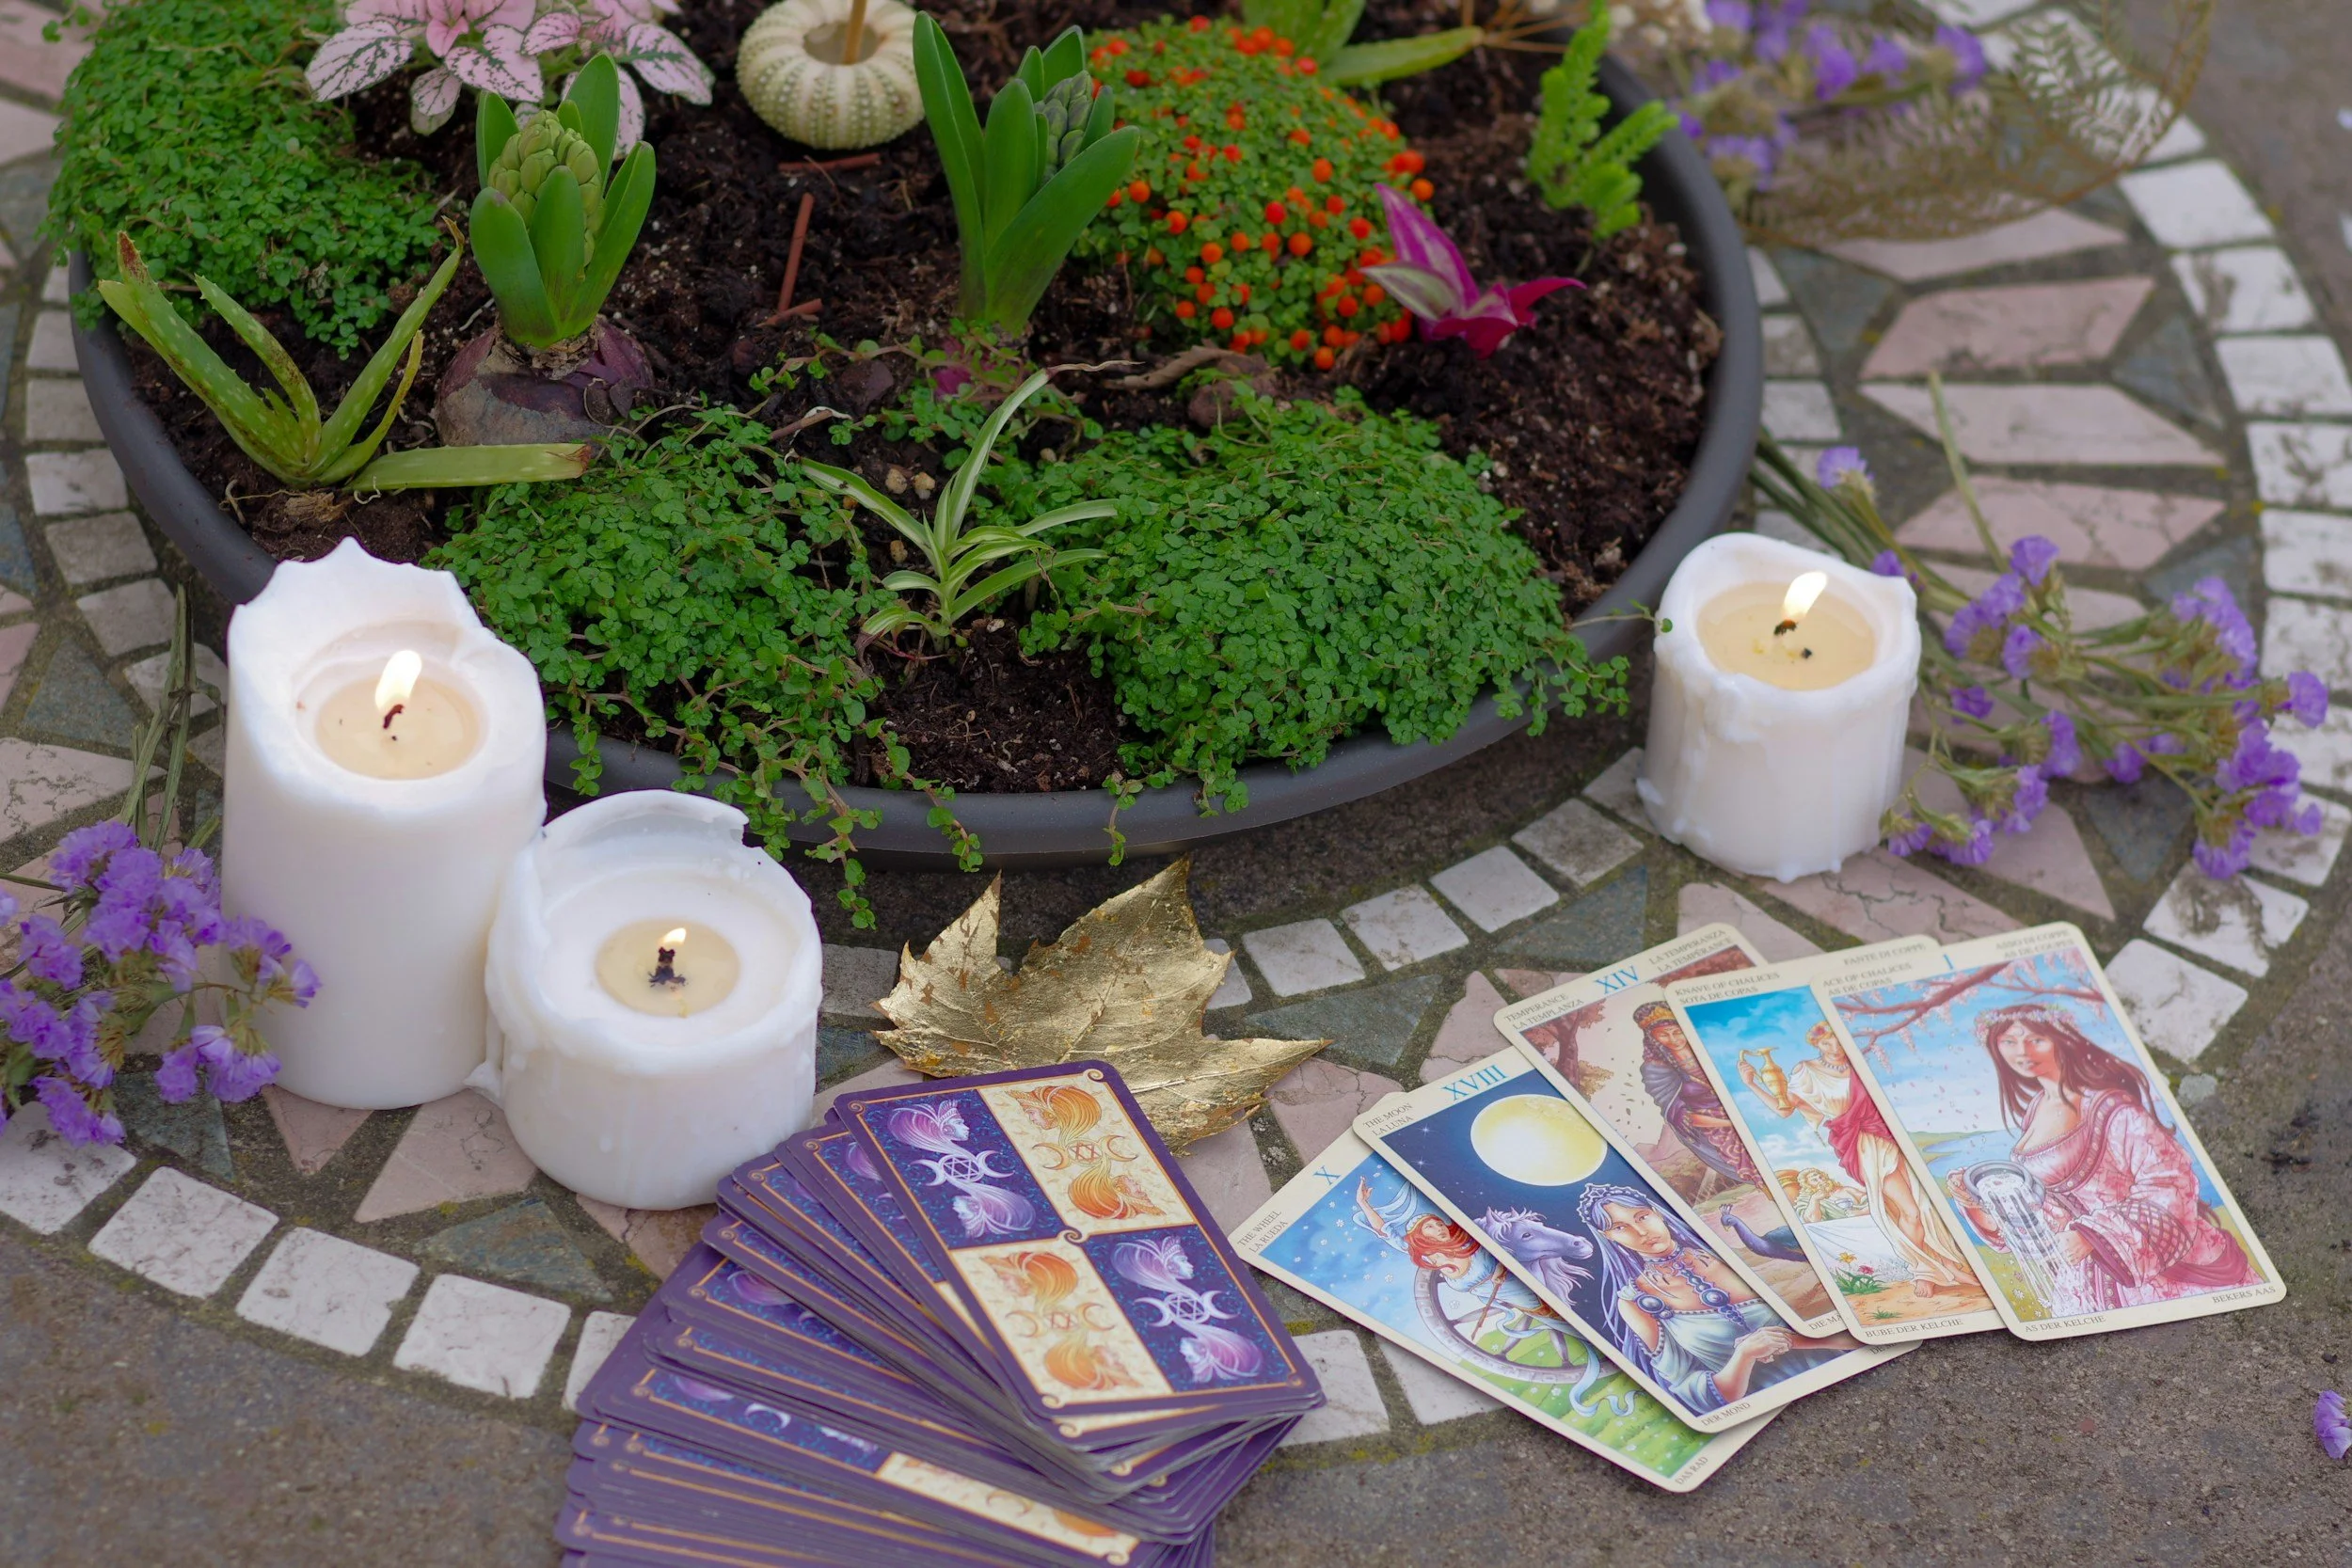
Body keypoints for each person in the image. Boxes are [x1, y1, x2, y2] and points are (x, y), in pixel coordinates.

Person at [1942, 1004, 2258, 1316]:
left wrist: (2093, 1236)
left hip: (2141, 1261)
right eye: (2008, 1041)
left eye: (2035, 1039)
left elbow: (2171, 1183)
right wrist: (1978, 1201)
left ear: (2060, 1039)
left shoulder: (2109, 1107)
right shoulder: (2037, 1109)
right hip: (2081, 1274)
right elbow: (2050, 1209)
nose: (2022, 1051)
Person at [1741, 1022, 1981, 1298]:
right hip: (1864, 1145)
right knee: (1907, 1210)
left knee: (1924, 1206)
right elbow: (1784, 1111)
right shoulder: (1807, 1071)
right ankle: (1923, 1272)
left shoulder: (1861, 1062)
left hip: (1891, 1136)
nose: (1834, 1049)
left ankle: (1945, 1265)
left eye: (1838, 1041)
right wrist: (1752, 1085)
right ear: (1816, 1045)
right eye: (1826, 1043)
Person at [1575, 1184, 1850, 1413]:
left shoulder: (1729, 1255)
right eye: (1620, 1228)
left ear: (1656, 1212)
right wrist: (1744, 1356)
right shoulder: (1636, 1301)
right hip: (1770, 1415)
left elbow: (1855, 1326)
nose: (1641, 1232)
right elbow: (1696, 1397)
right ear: (1607, 1236)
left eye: (1642, 1216)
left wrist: (1793, 1339)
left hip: (1846, 1382)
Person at [1631, 1001, 1764, 1192]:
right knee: (1753, 1163)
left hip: (1744, 1102)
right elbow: (1674, 1109)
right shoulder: (1655, 1068)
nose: (1673, 1039)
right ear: (1652, 1038)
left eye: (1677, 1032)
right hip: (1711, 1121)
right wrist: (1729, 1122)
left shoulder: (1707, 1046)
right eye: (1663, 1034)